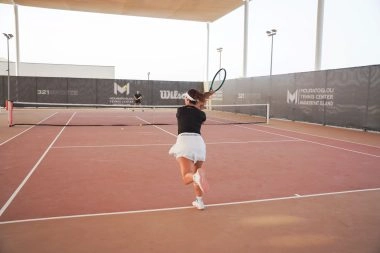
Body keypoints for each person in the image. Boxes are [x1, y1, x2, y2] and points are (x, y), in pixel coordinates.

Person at [169, 89, 214, 210]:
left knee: (187, 177)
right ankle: (199, 201)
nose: (184, 100)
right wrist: (203, 100)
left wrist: (203, 99)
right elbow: (197, 109)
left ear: (188, 100)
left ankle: (196, 178)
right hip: (199, 144)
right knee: (197, 173)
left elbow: (193, 108)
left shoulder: (180, 110)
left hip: (184, 142)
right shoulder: (201, 115)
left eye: (185, 98)